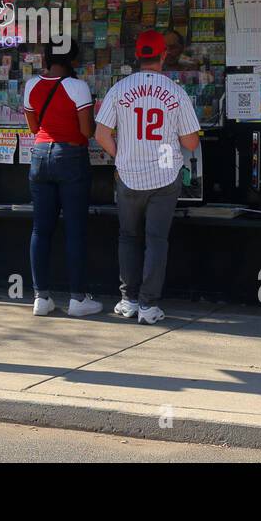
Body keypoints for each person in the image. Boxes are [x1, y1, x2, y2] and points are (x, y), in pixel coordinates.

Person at [94, 29, 200, 324]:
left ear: (138, 56)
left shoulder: (119, 89)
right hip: (165, 176)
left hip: (128, 176)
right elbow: (191, 142)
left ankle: (128, 300)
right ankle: (148, 306)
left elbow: (101, 134)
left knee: (128, 237)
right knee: (156, 240)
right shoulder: (176, 92)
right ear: (163, 55)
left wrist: (121, 155)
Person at [23, 39, 100, 317]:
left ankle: (40, 297)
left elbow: (34, 127)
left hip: (39, 156)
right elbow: (86, 132)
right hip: (70, 158)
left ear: (46, 58)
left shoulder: (31, 86)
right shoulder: (77, 87)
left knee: (40, 230)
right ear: (73, 60)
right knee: (75, 230)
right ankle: (78, 298)